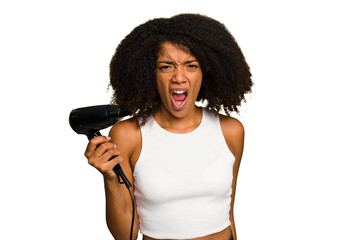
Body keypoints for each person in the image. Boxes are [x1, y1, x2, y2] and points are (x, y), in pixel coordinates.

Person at [84, 13, 253, 240]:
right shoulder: (128, 135)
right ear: (149, 73)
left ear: (207, 71)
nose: (179, 77)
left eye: (191, 65)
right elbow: (126, 236)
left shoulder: (231, 131)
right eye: (166, 66)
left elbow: (228, 213)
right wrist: (110, 179)